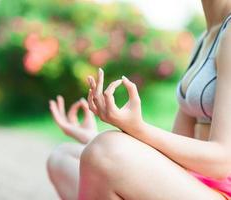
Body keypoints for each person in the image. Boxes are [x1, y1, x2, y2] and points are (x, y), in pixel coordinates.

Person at [46, 0, 231, 199]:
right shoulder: (205, 38)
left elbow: (221, 162)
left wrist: (138, 129)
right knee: (64, 158)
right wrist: (100, 137)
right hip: (196, 183)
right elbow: (177, 148)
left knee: (105, 152)